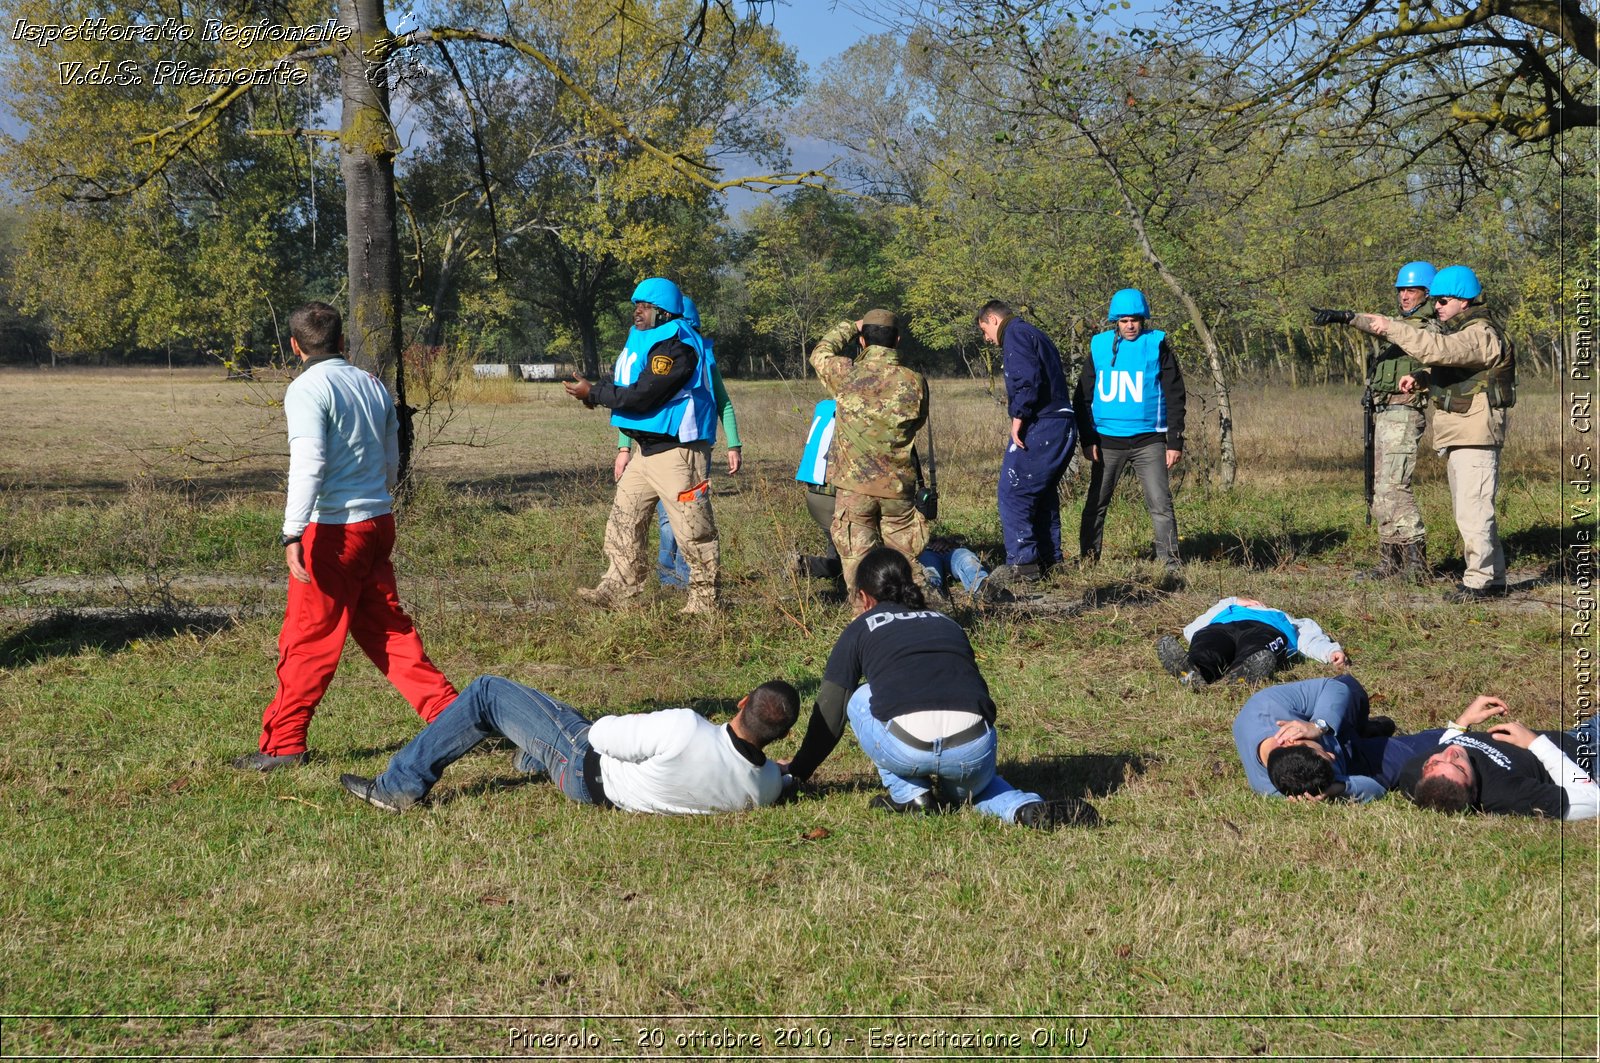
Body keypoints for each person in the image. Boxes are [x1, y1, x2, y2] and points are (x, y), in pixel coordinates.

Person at [234, 302, 458, 772]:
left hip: (332, 530)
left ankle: (284, 745)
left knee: (308, 637)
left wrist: (292, 531)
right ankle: (454, 717)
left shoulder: (306, 388)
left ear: (295, 347)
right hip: (378, 521)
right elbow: (393, 455)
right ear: (342, 342)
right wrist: (379, 495)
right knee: (389, 631)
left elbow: (309, 462)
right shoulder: (371, 384)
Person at [781, 547, 1098, 828]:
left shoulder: (861, 627)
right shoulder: (947, 623)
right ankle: (1023, 807)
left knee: (859, 697)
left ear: (864, 597)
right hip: (973, 749)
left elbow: (830, 710)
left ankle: (911, 794)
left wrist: (798, 772)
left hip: (908, 747)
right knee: (979, 790)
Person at [1314, 264, 1515, 601]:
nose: (1436, 305)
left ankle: (1480, 583)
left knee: (1473, 511)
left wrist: (1388, 327)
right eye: (1434, 299)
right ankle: (1491, 579)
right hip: (1464, 433)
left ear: (1464, 300)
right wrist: (1423, 378)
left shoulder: (1480, 332)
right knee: (1473, 509)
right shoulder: (1468, 330)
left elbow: (1437, 350)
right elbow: (1453, 366)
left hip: (1475, 434)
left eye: (1443, 299)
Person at [340, 675, 800, 813]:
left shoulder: (686, 727)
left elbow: (600, 735)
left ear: (741, 702)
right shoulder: (764, 789)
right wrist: (778, 770)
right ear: (780, 736)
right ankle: (530, 755)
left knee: (486, 693)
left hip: (580, 762)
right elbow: (767, 773)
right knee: (549, 722)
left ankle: (398, 784)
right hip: (601, 791)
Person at [565, 277, 721, 614]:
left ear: (664, 313)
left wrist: (593, 393)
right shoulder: (648, 342)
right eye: (636, 305)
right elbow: (627, 385)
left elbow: (644, 394)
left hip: (678, 453)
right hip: (644, 452)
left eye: (645, 306)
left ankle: (703, 604)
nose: (637, 311)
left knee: (693, 530)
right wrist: (596, 394)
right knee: (624, 521)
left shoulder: (677, 347)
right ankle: (617, 589)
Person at [808, 311, 931, 596]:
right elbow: (918, 423)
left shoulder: (846, 373)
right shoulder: (915, 381)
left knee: (855, 564)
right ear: (897, 340)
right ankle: (914, 617)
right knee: (906, 564)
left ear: (862, 341)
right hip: (898, 489)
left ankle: (865, 619)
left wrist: (850, 326)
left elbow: (820, 352)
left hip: (854, 490)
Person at [621, 296, 740, 589]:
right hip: (650, 450)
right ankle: (667, 577)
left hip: (689, 449)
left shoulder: (699, 356)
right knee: (665, 520)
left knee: (685, 518)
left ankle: (687, 578)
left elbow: (722, 402)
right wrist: (624, 448)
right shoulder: (652, 353)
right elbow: (637, 405)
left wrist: (734, 445)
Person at [1075, 288, 1187, 569]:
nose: (1130, 325)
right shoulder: (1099, 347)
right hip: (1107, 442)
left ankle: (1170, 566)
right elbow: (1082, 397)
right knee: (1096, 505)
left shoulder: (1157, 345)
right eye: (1124, 320)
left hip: (1149, 441)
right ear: (1116, 321)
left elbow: (1175, 394)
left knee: (1161, 504)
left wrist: (1174, 441)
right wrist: (1087, 439)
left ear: (1143, 319)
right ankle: (1088, 562)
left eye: (1135, 319)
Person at [975, 301, 1076, 582]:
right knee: (1041, 494)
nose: (987, 339)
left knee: (1013, 491)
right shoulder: (1035, 333)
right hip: (1062, 422)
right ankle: (1049, 560)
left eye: (985, 330)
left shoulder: (1015, 334)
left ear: (993, 319)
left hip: (1043, 423)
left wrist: (1018, 419)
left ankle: (1023, 566)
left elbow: (1026, 380)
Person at [1231, 675, 1444, 802]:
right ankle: (1370, 738)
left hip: (1335, 725)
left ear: (1291, 740)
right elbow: (1376, 789)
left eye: (1323, 754)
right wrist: (1339, 789)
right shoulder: (1290, 783)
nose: (1331, 755)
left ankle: (1366, 728)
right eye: (1328, 760)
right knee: (1428, 749)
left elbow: (1333, 688)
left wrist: (1318, 725)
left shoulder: (1265, 707)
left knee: (1349, 686)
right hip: (1355, 761)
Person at [1360, 261, 1436, 581]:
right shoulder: (1402, 324)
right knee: (1381, 489)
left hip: (1405, 410)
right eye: (1401, 290)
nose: (1404, 296)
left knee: (1396, 485)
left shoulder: (1428, 327)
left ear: (1427, 293)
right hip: (1384, 411)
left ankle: (1416, 560)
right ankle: (1389, 558)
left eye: (1411, 290)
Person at [1395, 699, 1599, 819]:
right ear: (1474, 789)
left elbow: (1446, 748)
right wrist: (1536, 744)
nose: (1450, 753)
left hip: (1578, 735)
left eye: (1436, 762)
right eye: (1460, 768)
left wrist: (1460, 725)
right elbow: (1592, 801)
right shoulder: (1505, 794)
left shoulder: (1412, 775)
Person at [1156, 596, 1348, 689]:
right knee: (1208, 643)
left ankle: (1243, 673)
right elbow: (1194, 628)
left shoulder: (1287, 619)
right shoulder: (1229, 607)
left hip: (1267, 630)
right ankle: (1195, 669)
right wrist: (1233, 600)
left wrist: (1330, 651)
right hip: (1222, 626)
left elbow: (1310, 638)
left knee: (1259, 648)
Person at [791, 398, 844, 581]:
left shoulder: (823, 406)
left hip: (814, 493)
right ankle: (804, 565)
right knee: (855, 561)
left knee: (837, 546)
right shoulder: (855, 409)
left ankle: (805, 564)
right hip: (833, 496)